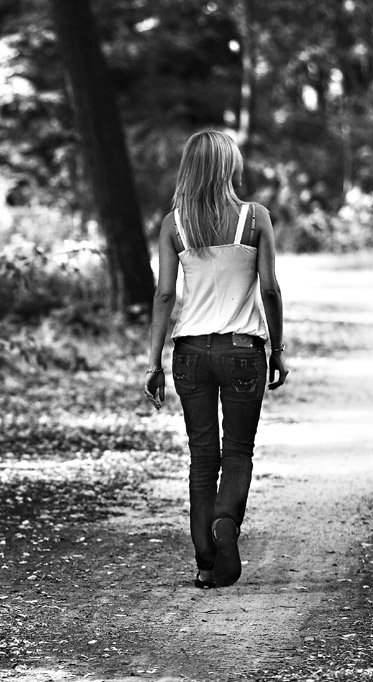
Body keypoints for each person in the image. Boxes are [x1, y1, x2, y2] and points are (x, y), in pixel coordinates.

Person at [144, 130, 288, 589]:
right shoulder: (255, 217)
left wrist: (153, 362)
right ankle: (226, 517)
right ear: (229, 167)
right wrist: (278, 349)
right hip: (243, 351)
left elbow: (164, 294)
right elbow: (270, 289)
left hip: (190, 354)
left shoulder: (174, 225)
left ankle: (207, 562)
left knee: (202, 457)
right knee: (238, 450)